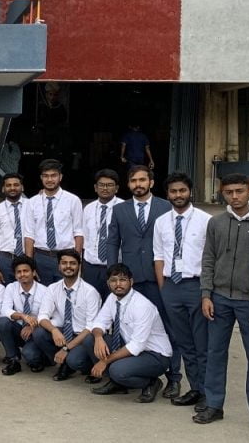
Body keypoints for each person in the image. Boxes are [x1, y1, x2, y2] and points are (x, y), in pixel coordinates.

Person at [193, 173, 249, 432]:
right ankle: (214, 405)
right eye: (229, 192)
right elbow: (208, 259)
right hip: (219, 299)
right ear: (223, 194)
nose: (235, 196)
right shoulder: (217, 223)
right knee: (215, 352)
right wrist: (206, 294)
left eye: (240, 191)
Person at [106, 165, 180, 397]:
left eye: (142, 180)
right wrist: (113, 274)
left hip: (159, 279)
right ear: (128, 185)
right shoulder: (119, 210)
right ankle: (126, 376)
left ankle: (174, 378)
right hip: (130, 280)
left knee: (168, 329)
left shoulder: (166, 206)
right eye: (133, 181)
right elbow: (112, 242)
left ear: (151, 182)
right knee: (122, 326)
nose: (138, 184)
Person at [153, 172, 212, 408]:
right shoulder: (161, 222)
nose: (178, 195)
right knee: (184, 342)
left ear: (190, 192)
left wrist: (207, 291)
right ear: (167, 194)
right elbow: (158, 256)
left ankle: (208, 393)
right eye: (173, 191)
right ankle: (195, 389)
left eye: (182, 191)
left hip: (196, 286)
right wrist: (163, 287)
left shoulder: (206, 220)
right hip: (171, 286)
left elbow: (211, 258)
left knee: (202, 343)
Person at [85, 264, 173, 403]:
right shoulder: (112, 298)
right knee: (90, 339)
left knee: (117, 370)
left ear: (131, 282)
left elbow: (137, 346)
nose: (118, 284)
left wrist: (105, 361)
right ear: (108, 284)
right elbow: (99, 323)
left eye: (123, 280)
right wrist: (98, 337)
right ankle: (119, 384)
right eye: (113, 280)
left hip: (155, 355)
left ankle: (151, 383)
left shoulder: (142, 306)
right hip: (129, 348)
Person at [33, 249, 100, 380]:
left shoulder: (90, 292)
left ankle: (87, 367)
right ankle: (62, 362)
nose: (68, 266)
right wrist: (54, 331)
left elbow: (91, 327)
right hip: (63, 333)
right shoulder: (53, 288)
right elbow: (42, 316)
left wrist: (66, 349)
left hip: (82, 337)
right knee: (39, 333)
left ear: (79, 266)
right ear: (59, 266)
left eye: (72, 263)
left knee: (75, 360)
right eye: (64, 263)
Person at [24, 159, 83, 286]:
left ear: (60, 177)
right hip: (41, 258)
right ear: (41, 178)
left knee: (67, 295)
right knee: (42, 298)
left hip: (66, 257)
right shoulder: (32, 202)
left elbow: (78, 232)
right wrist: (30, 264)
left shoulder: (73, 200)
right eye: (46, 176)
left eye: (53, 175)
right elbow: (29, 235)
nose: (49, 180)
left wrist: (76, 260)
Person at [0, 255, 49, 376]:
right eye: (18, 272)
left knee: (30, 356)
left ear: (34, 272)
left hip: (36, 331)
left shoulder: (45, 291)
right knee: (3, 322)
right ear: (15, 275)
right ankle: (13, 360)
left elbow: (48, 315)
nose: (22, 274)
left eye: (26, 271)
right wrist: (22, 316)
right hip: (19, 329)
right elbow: (5, 309)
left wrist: (32, 325)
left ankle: (41, 358)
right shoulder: (11, 287)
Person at [81, 169, 124, 300]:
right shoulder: (88, 208)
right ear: (95, 187)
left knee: (115, 303)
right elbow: (85, 237)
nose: (105, 188)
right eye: (101, 185)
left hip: (116, 266)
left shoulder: (124, 207)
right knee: (90, 303)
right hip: (91, 267)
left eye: (110, 185)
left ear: (116, 188)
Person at [0, 173, 28, 284]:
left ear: (22, 187)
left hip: (26, 258)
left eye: (16, 185)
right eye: (8, 185)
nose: (12, 188)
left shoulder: (32, 206)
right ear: (3, 189)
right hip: (5, 259)